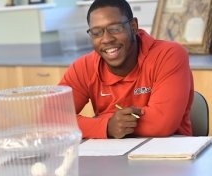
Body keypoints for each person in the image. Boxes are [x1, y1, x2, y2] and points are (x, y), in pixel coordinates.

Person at [59, 0, 194, 139]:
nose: (106, 39)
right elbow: (49, 118)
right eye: (96, 32)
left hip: (170, 154)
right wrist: (106, 126)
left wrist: (99, 122)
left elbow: (162, 124)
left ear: (133, 26)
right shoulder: (84, 67)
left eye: (115, 29)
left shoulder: (168, 55)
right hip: (110, 155)